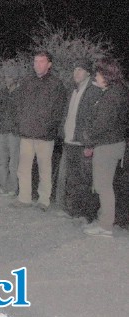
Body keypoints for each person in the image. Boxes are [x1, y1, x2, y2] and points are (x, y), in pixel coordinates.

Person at [12, 50, 66, 211]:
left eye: (41, 61)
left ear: (49, 65)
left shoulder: (56, 84)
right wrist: (20, 124)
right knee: (23, 168)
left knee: (44, 169)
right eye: (35, 61)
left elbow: (59, 110)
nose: (38, 65)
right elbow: (18, 105)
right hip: (27, 133)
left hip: (45, 135)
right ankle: (24, 198)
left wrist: (51, 127)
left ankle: (44, 200)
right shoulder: (27, 82)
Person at [82, 57, 128, 237]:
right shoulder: (118, 92)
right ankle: (104, 219)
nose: (96, 76)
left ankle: (105, 225)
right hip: (113, 143)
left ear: (108, 75)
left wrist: (89, 140)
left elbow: (101, 124)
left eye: (99, 73)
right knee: (104, 184)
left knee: (103, 186)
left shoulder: (111, 96)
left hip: (107, 146)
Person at [55, 59, 101, 222]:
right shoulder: (73, 90)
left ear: (88, 73)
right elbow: (67, 114)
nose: (76, 73)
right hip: (70, 141)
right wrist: (62, 131)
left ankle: (86, 214)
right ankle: (72, 210)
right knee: (72, 178)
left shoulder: (94, 91)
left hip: (83, 143)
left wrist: (91, 142)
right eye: (75, 70)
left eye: (80, 70)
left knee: (85, 179)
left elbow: (95, 119)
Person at [0, 68, 21, 196]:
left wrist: (18, 127)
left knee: (14, 162)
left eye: (10, 77)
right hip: (3, 129)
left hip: (14, 132)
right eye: (6, 77)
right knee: (2, 161)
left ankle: (12, 188)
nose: (7, 79)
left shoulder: (20, 92)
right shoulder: (3, 91)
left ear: (15, 79)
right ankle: (3, 186)